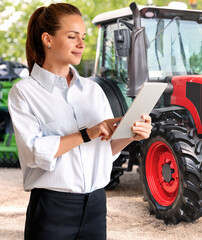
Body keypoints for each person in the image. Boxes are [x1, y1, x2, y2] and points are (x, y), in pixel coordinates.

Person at [8, 3, 152, 239]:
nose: (82, 44)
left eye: (83, 37)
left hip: (95, 206)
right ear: (48, 39)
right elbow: (34, 152)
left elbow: (105, 151)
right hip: (52, 210)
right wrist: (87, 133)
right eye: (72, 36)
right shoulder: (24, 92)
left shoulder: (93, 91)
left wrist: (130, 134)